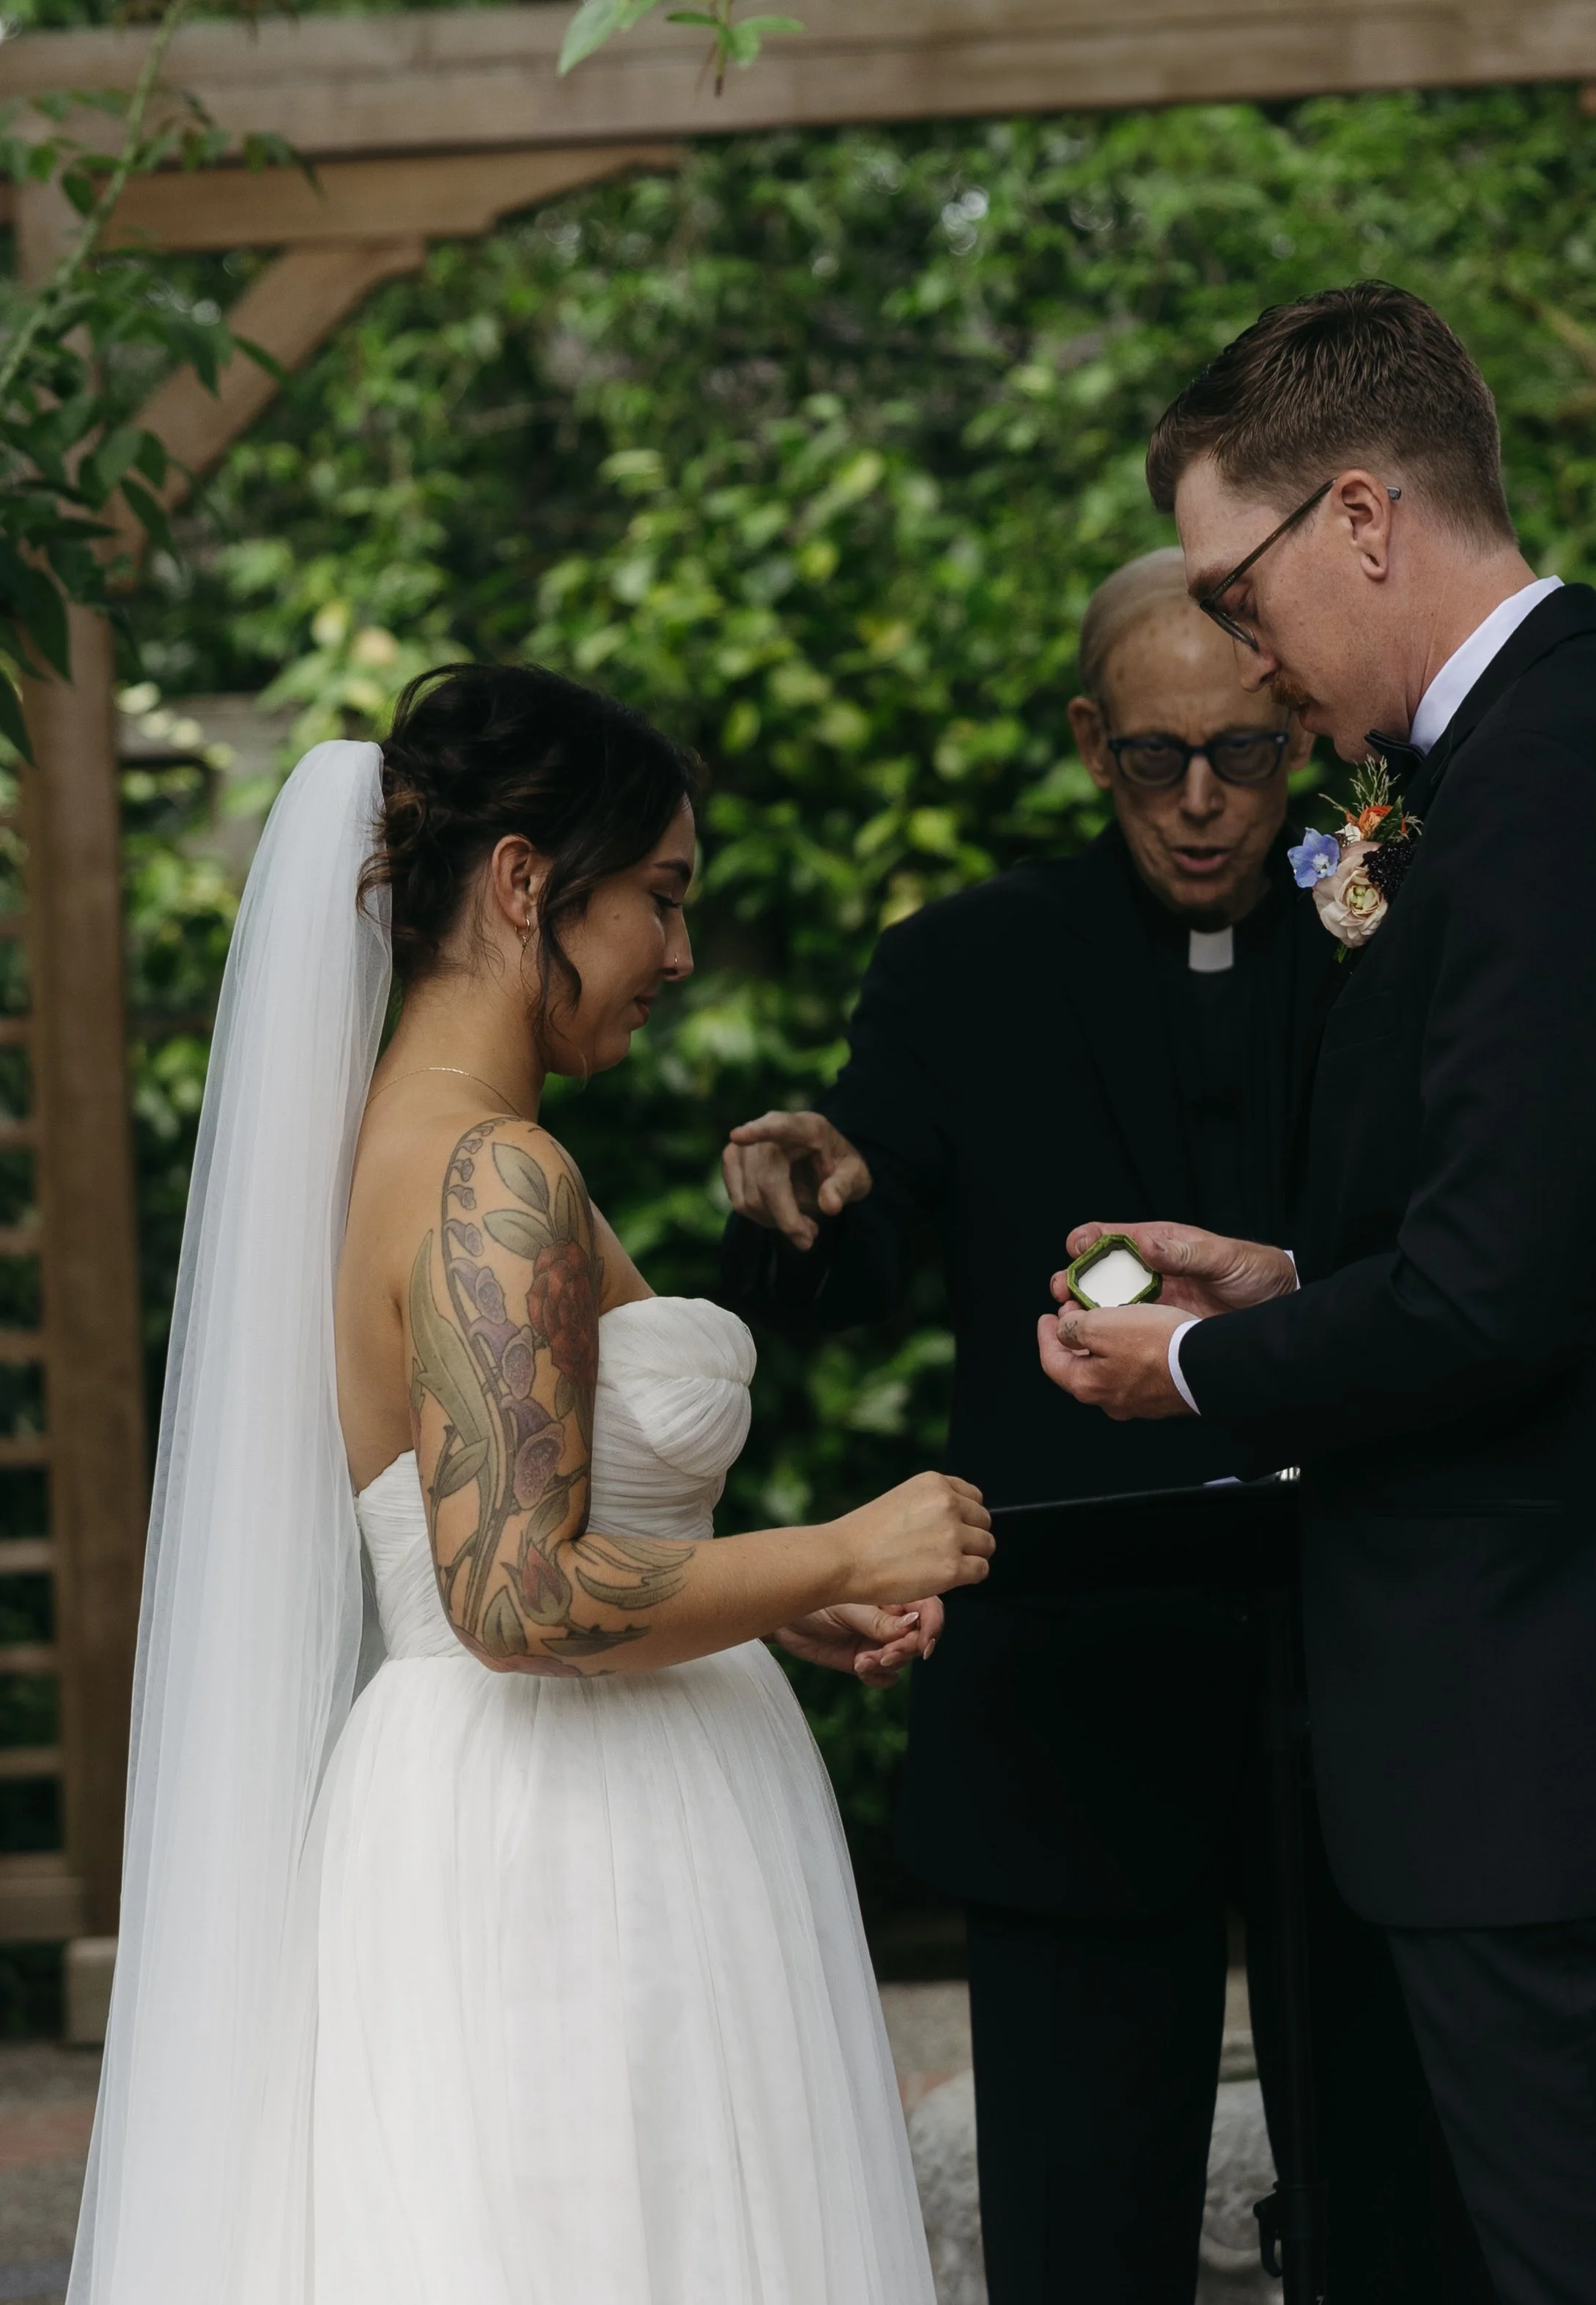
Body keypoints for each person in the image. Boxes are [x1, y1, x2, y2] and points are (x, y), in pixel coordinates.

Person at [1040, 282, 1596, 2305]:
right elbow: (1555, 1223)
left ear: (1364, 517)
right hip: (1549, 1730)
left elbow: (1496, 1298)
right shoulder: (1541, 762)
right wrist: (1300, 1268)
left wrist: (1201, 1362)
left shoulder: (1561, 787)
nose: (1240, 646)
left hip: (1561, 1734)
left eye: (1240, 587)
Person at [72, 664, 996, 2305]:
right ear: (522, 884)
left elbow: (530, 1518)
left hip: (584, 1804)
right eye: (658, 895)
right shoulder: (495, 1174)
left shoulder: (415, 1139)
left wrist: (784, 1605)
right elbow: (511, 1594)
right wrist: (839, 1541)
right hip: (564, 1853)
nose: (680, 951)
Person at [722, 557, 1489, 2305]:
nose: (1205, 802)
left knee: (1401, 2218)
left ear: (1299, 737)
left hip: (1362, 1662)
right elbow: (856, 1250)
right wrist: (805, 1201)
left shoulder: (1399, 925)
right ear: (1088, 745)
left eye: (1244, 752)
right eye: (1157, 761)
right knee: (1076, 2233)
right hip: (1072, 1685)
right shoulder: (961, 967)